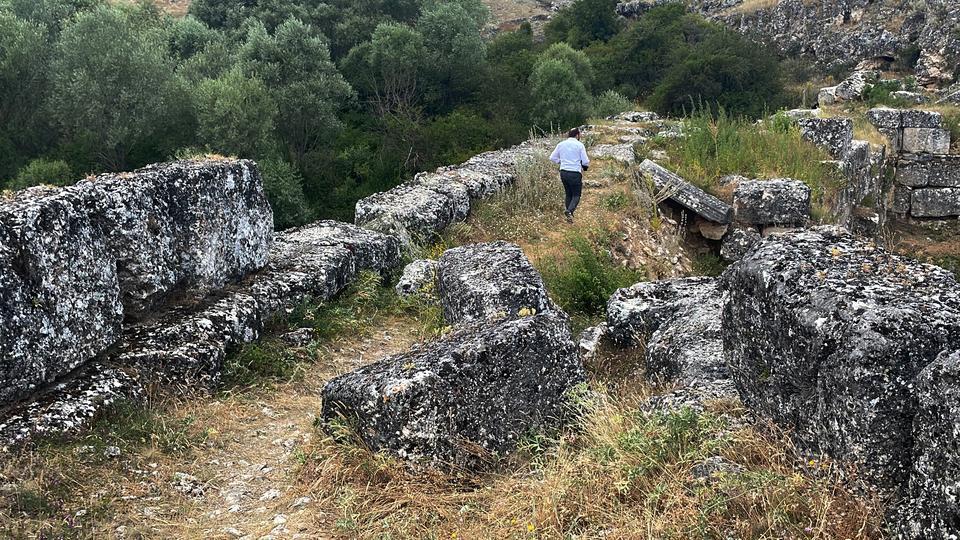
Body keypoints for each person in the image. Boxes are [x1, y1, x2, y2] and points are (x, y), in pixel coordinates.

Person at [549, 127, 590, 223]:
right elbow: (585, 161)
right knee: (576, 195)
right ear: (577, 135)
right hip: (574, 172)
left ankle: (569, 219)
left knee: (568, 194)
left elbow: (552, 157)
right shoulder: (579, 145)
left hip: (563, 172)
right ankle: (569, 211)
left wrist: (561, 162)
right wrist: (585, 167)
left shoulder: (561, 144)